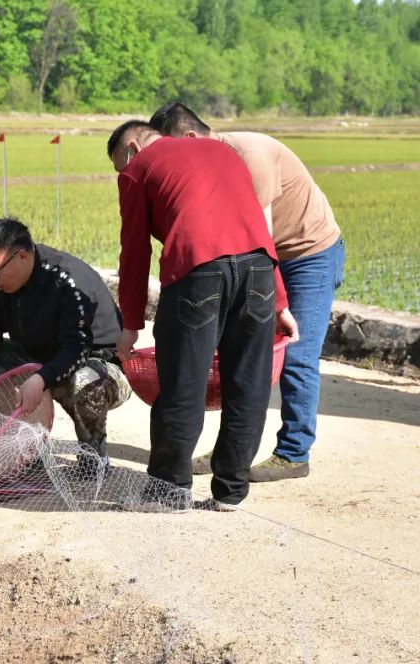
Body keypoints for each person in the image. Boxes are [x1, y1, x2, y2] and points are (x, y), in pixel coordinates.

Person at [107, 120, 299, 511]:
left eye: (120, 164)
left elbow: (134, 253)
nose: (122, 172)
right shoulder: (223, 153)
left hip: (197, 271)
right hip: (259, 272)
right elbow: (257, 228)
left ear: (131, 147)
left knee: (182, 383)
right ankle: (231, 492)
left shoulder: (138, 168)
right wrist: (280, 303)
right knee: (249, 385)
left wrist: (130, 326)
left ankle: (168, 492)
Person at [148, 103, 345, 482]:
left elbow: (260, 239)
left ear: (189, 138)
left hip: (307, 255)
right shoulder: (209, 163)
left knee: (295, 352)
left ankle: (293, 452)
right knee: (233, 354)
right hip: (258, 261)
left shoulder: (249, 156)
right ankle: (230, 452)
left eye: (171, 149)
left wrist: (275, 302)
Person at [0, 217, 131, 467]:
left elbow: (76, 349)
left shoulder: (68, 281)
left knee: (85, 381)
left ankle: (93, 459)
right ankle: (22, 452)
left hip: (98, 366)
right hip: (41, 361)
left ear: (21, 256)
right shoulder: (4, 289)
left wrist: (40, 379)